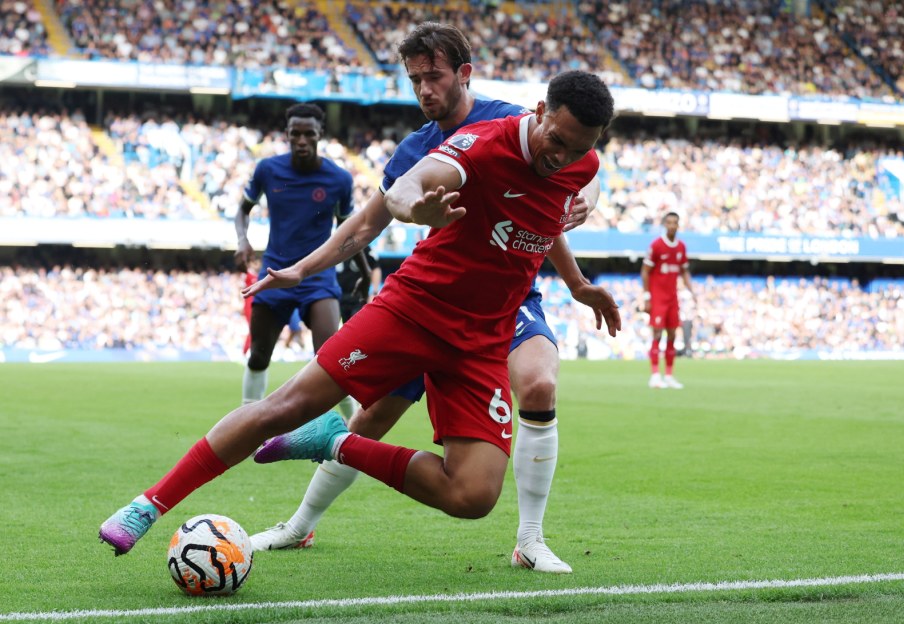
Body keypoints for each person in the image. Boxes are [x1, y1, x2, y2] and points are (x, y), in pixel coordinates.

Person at [98, 70, 620, 567]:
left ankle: (334, 442)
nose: (564, 156)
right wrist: (423, 211)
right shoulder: (483, 143)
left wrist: (577, 285)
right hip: (414, 312)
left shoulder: (581, 163)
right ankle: (149, 504)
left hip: (482, 340)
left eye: (579, 147)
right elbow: (401, 192)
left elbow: (544, 217)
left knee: (473, 495)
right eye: (558, 140)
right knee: (285, 406)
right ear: (539, 112)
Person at [245, 23, 602, 573]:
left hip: (508, 299)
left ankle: (530, 539)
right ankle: (300, 524)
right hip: (433, 303)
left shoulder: (515, 121)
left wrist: (587, 202)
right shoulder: (415, 149)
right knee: (369, 421)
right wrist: (301, 268)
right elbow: (365, 225)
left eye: (433, 77)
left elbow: (576, 165)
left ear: (463, 73)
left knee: (539, 382)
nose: (424, 90)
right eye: (415, 80)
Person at [234, 102, 354, 413]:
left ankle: (356, 430)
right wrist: (243, 239)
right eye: (295, 134)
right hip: (275, 274)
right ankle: (247, 422)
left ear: (320, 134)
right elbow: (243, 210)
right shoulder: (268, 170)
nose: (301, 140)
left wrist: (364, 270)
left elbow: (349, 230)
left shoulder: (339, 179)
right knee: (259, 355)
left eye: (308, 134)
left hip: (318, 276)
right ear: (287, 135)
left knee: (330, 360)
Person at [641, 211, 696, 389]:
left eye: (675, 223)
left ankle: (670, 375)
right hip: (658, 298)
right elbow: (645, 271)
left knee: (672, 335)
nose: (672, 225)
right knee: (657, 333)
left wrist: (691, 289)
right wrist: (647, 296)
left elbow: (684, 270)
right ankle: (655, 375)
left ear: (678, 225)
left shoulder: (681, 247)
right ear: (664, 224)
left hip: (673, 298)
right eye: (669, 222)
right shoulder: (656, 245)